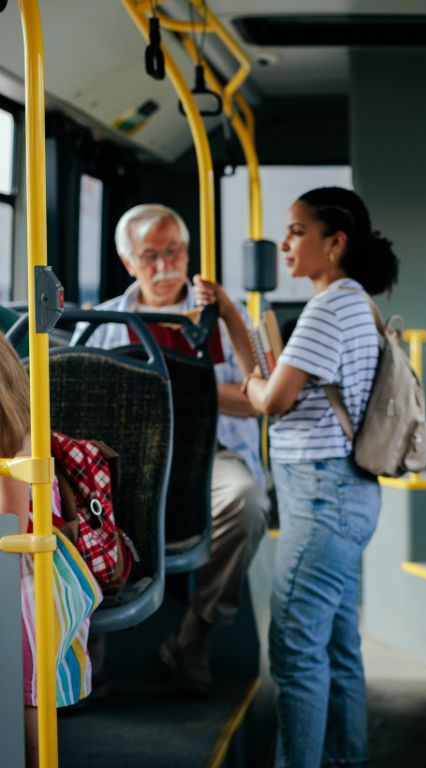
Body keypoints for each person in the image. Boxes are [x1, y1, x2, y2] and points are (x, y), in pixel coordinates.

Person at [74, 204, 269, 695]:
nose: (164, 267)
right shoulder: (104, 322)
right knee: (76, 504)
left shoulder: (221, 317)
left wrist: (163, 391)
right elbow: (75, 396)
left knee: (246, 504)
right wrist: (193, 389)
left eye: (174, 252)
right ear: (127, 261)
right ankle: (90, 637)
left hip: (211, 456)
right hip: (126, 459)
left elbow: (256, 400)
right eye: (150, 256)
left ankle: (193, 636)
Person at [233, 186, 398, 768]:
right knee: (337, 647)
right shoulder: (358, 303)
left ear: (335, 243)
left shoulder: (327, 308)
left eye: (297, 231)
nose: (285, 243)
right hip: (349, 493)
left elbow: (273, 400)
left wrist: (252, 387)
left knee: (296, 652)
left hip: (322, 496)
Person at [0, 334, 99, 767]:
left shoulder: (13, 436)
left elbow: (10, 525)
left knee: (20, 637)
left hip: (27, 559)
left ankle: (31, 752)